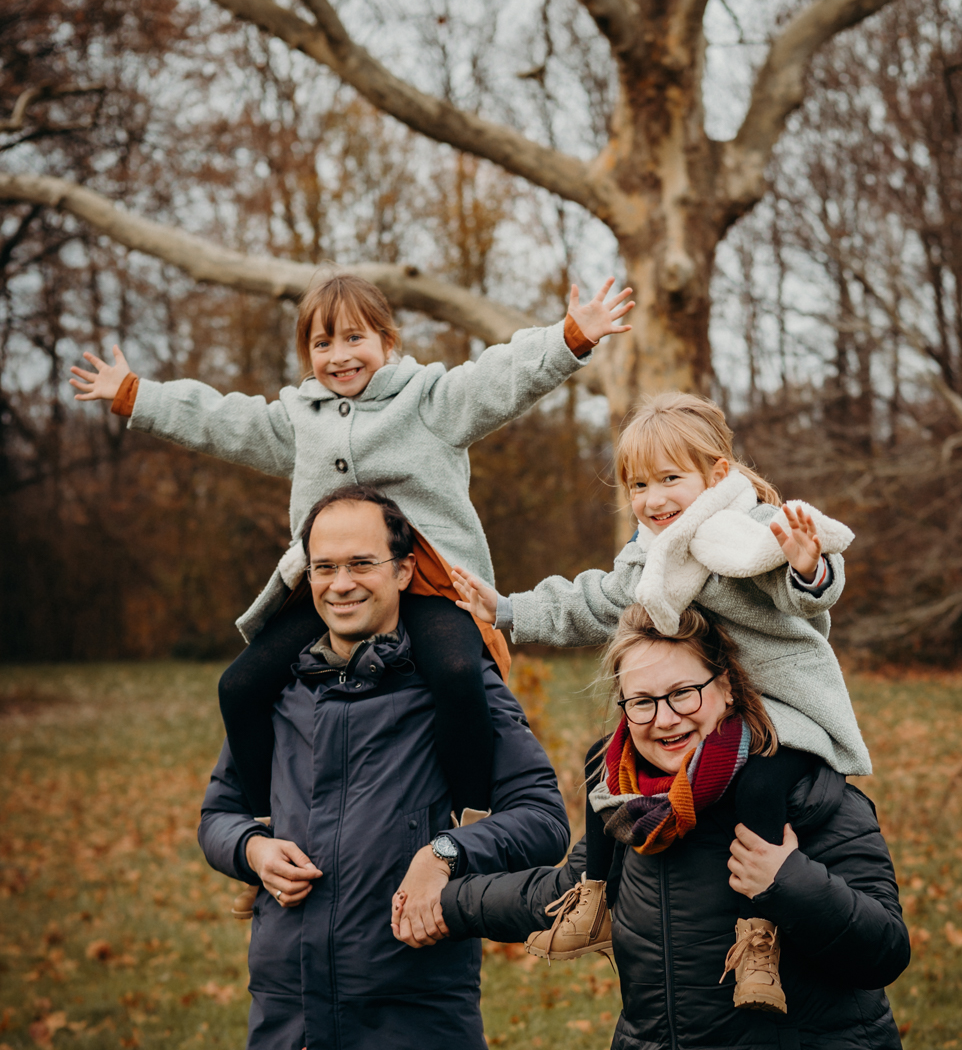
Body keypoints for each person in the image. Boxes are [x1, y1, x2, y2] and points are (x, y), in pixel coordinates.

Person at [432, 606, 916, 1050]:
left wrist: (788, 882)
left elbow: (883, 947)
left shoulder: (804, 792)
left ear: (727, 688)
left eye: (682, 693)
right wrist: (443, 900)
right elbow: (564, 892)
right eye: (640, 701)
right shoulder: (628, 814)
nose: (663, 719)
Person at [71, 269, 632, 820]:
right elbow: (225, 421)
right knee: (238, 685)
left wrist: (569, 337)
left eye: (354, 338)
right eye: (322, 343)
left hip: (432, 587)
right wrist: (135, 395)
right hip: (337, 593)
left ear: (387, 342)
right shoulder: (301, 420)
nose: (339, 355)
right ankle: (270, 818)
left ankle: (471, 814)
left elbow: (498, 378)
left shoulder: (428, 402)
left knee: (458, 674)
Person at [198, 484, 571, 1050]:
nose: (340, 582)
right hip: (297, 999)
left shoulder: (452, 679)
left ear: (404, 569)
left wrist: (448, 850)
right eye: (324, 566)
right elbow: (219, 815)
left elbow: (541, 816)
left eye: (362, 562)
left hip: (410, 991)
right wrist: (252, 849)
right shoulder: (276, 690)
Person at [453, 390, 868, 1009]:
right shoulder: (652, 554)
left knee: (760, 782)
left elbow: (801, 588)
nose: (652, 499)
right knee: (603, 758)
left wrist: (809, 568)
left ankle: (757, 935)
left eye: (670, 479)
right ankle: (594, 896)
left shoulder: (747, 532)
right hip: (700, 704)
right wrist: (509, 610)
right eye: (638, 485)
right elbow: (593, 600)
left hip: (778, 705)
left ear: (717, 475)